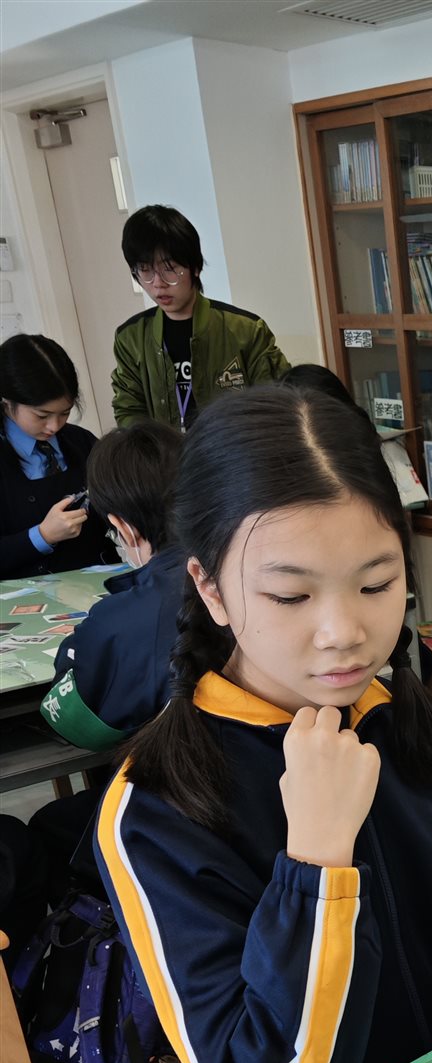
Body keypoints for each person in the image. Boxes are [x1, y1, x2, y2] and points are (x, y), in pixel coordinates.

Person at [94, 387, 432, 1063]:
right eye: (290, 595)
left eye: (376, 585)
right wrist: (314, 865)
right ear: (211, 589)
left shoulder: (401, 716)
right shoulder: (159, 804)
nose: (344, 633)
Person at [39, 419, 184, 749]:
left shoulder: (119, 622)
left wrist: (77, 645)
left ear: (123, 526)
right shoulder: (250, 568)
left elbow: (75, 723)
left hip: (180, 772)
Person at [111, 205, 290, 430]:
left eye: (169, 268)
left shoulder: (247, 330)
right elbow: (129, 410)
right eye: (145, 270)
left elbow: (277, 403)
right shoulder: (131, 339)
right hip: (165, 452)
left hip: (231, 449)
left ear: (195, 267)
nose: (158, 283)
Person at [1, 334, 112, 577]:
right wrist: (41, 536)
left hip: (97, 585)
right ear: (7, 402)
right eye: (42, 416)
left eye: (65, 413)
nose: (54, 426)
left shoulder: (82, 442)